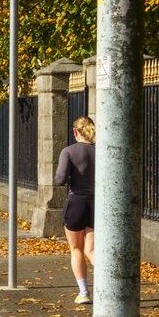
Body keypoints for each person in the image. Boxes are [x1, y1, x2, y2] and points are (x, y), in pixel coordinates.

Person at [55, 116, 96, 305]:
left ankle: (83, 292)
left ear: (75, 132)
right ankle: (110, 282)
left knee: (76, 248)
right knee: (92, 249)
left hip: (77, 203)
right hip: (97, 203)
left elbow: (60, 179)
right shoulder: (101, 151)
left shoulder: (68, 151)